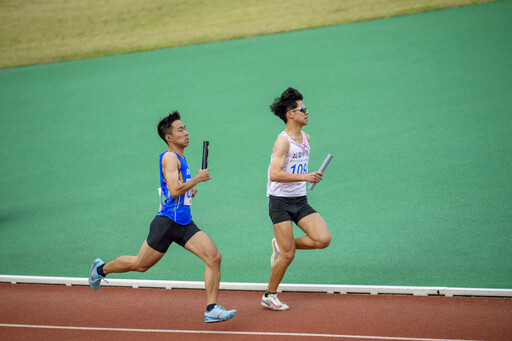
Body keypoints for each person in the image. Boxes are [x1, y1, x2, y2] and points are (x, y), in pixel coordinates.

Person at [88, 111, 236, 323]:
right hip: (166, 223)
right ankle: (100, 269)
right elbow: (175, 190)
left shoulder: (181, 159)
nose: (186, 132)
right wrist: (196, 179)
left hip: (184, 223)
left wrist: (190, 190)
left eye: (185, 128)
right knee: (140, 265)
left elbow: (174, 191)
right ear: (169, 137)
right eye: (180, 130)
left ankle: (211, 309)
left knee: (214, 257)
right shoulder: (169, 157)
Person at [262, 87, 332, 311]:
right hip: (280, 202)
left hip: (300, 200)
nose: (307, 112)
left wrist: (308, 176)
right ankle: (269, 295)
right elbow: (275, 174)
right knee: (288, 255)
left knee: (322, 239)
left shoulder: (306, 138)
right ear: (290, 114)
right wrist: (306, 176)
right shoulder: (282, 142)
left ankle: (281, 246)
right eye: (303, 109)